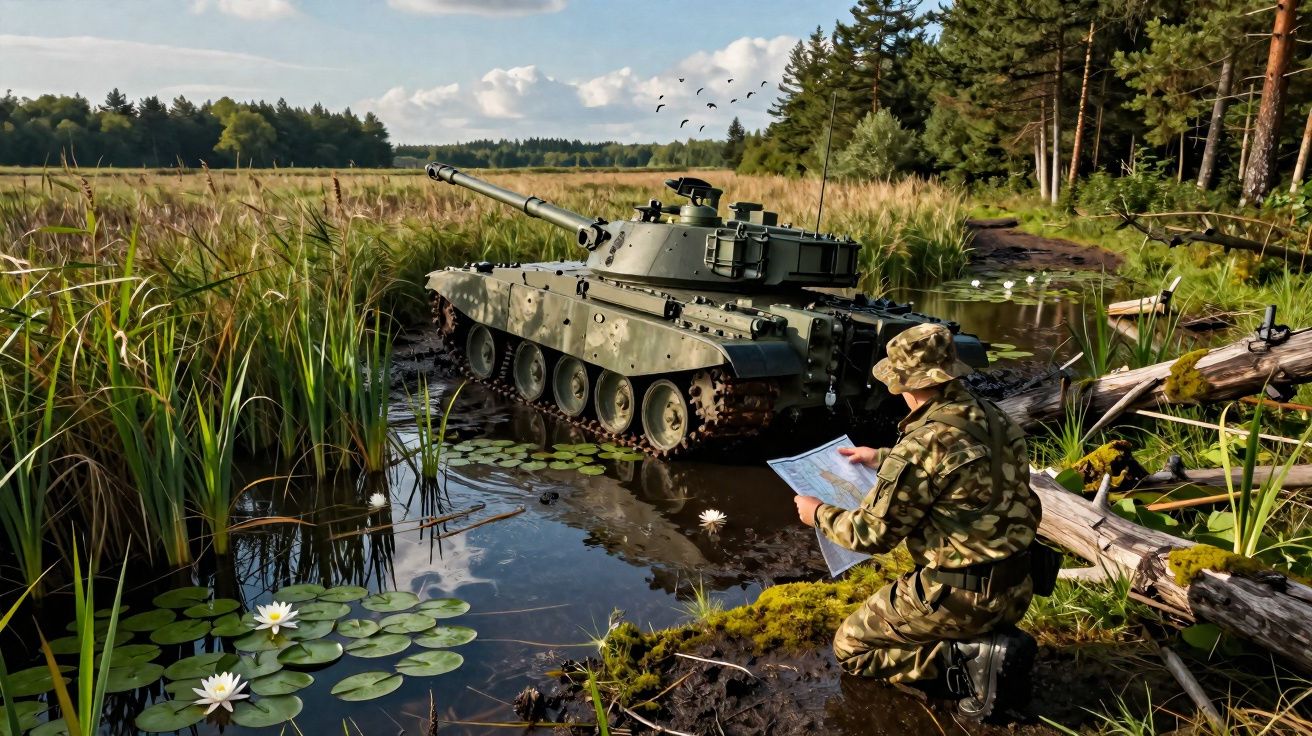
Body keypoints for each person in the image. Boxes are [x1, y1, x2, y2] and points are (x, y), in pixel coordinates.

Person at [793, 322, 1041, 719]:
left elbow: (872, 535)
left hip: (961, 597)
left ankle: (971, 657)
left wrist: (817, 513)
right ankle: (983, 638)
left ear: (904, 385)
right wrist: (882, 458)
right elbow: (960, 468)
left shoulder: (923, 444)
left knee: (851, 649)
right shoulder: (993, 416)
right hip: (1018, 586)